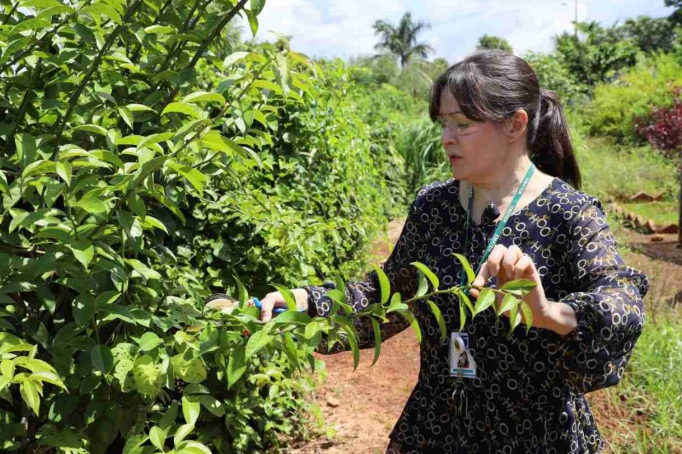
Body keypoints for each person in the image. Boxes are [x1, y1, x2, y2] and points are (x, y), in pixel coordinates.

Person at [253, 50, 648, 453]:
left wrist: (550, 313)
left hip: (535, 435)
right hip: (437, 426)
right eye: (444, 124)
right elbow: (387, 296)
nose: (446, 139)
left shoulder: (569, 213)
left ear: (515, 124)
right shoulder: (434, 207)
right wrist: (309, 301)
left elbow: (620, 304)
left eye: (462, 124)